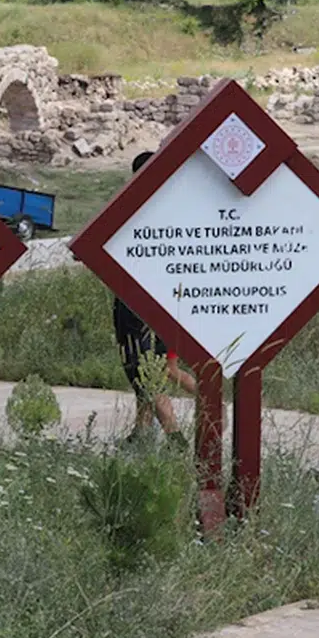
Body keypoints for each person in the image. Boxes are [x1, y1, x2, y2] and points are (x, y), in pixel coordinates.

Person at [114, 151, 197, 451]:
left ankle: (176, 440)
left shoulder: (132, 207)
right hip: (170, 298)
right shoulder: (176, 204)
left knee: (144, 371)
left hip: (136, 302)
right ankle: (141, 432)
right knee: (162, 368)